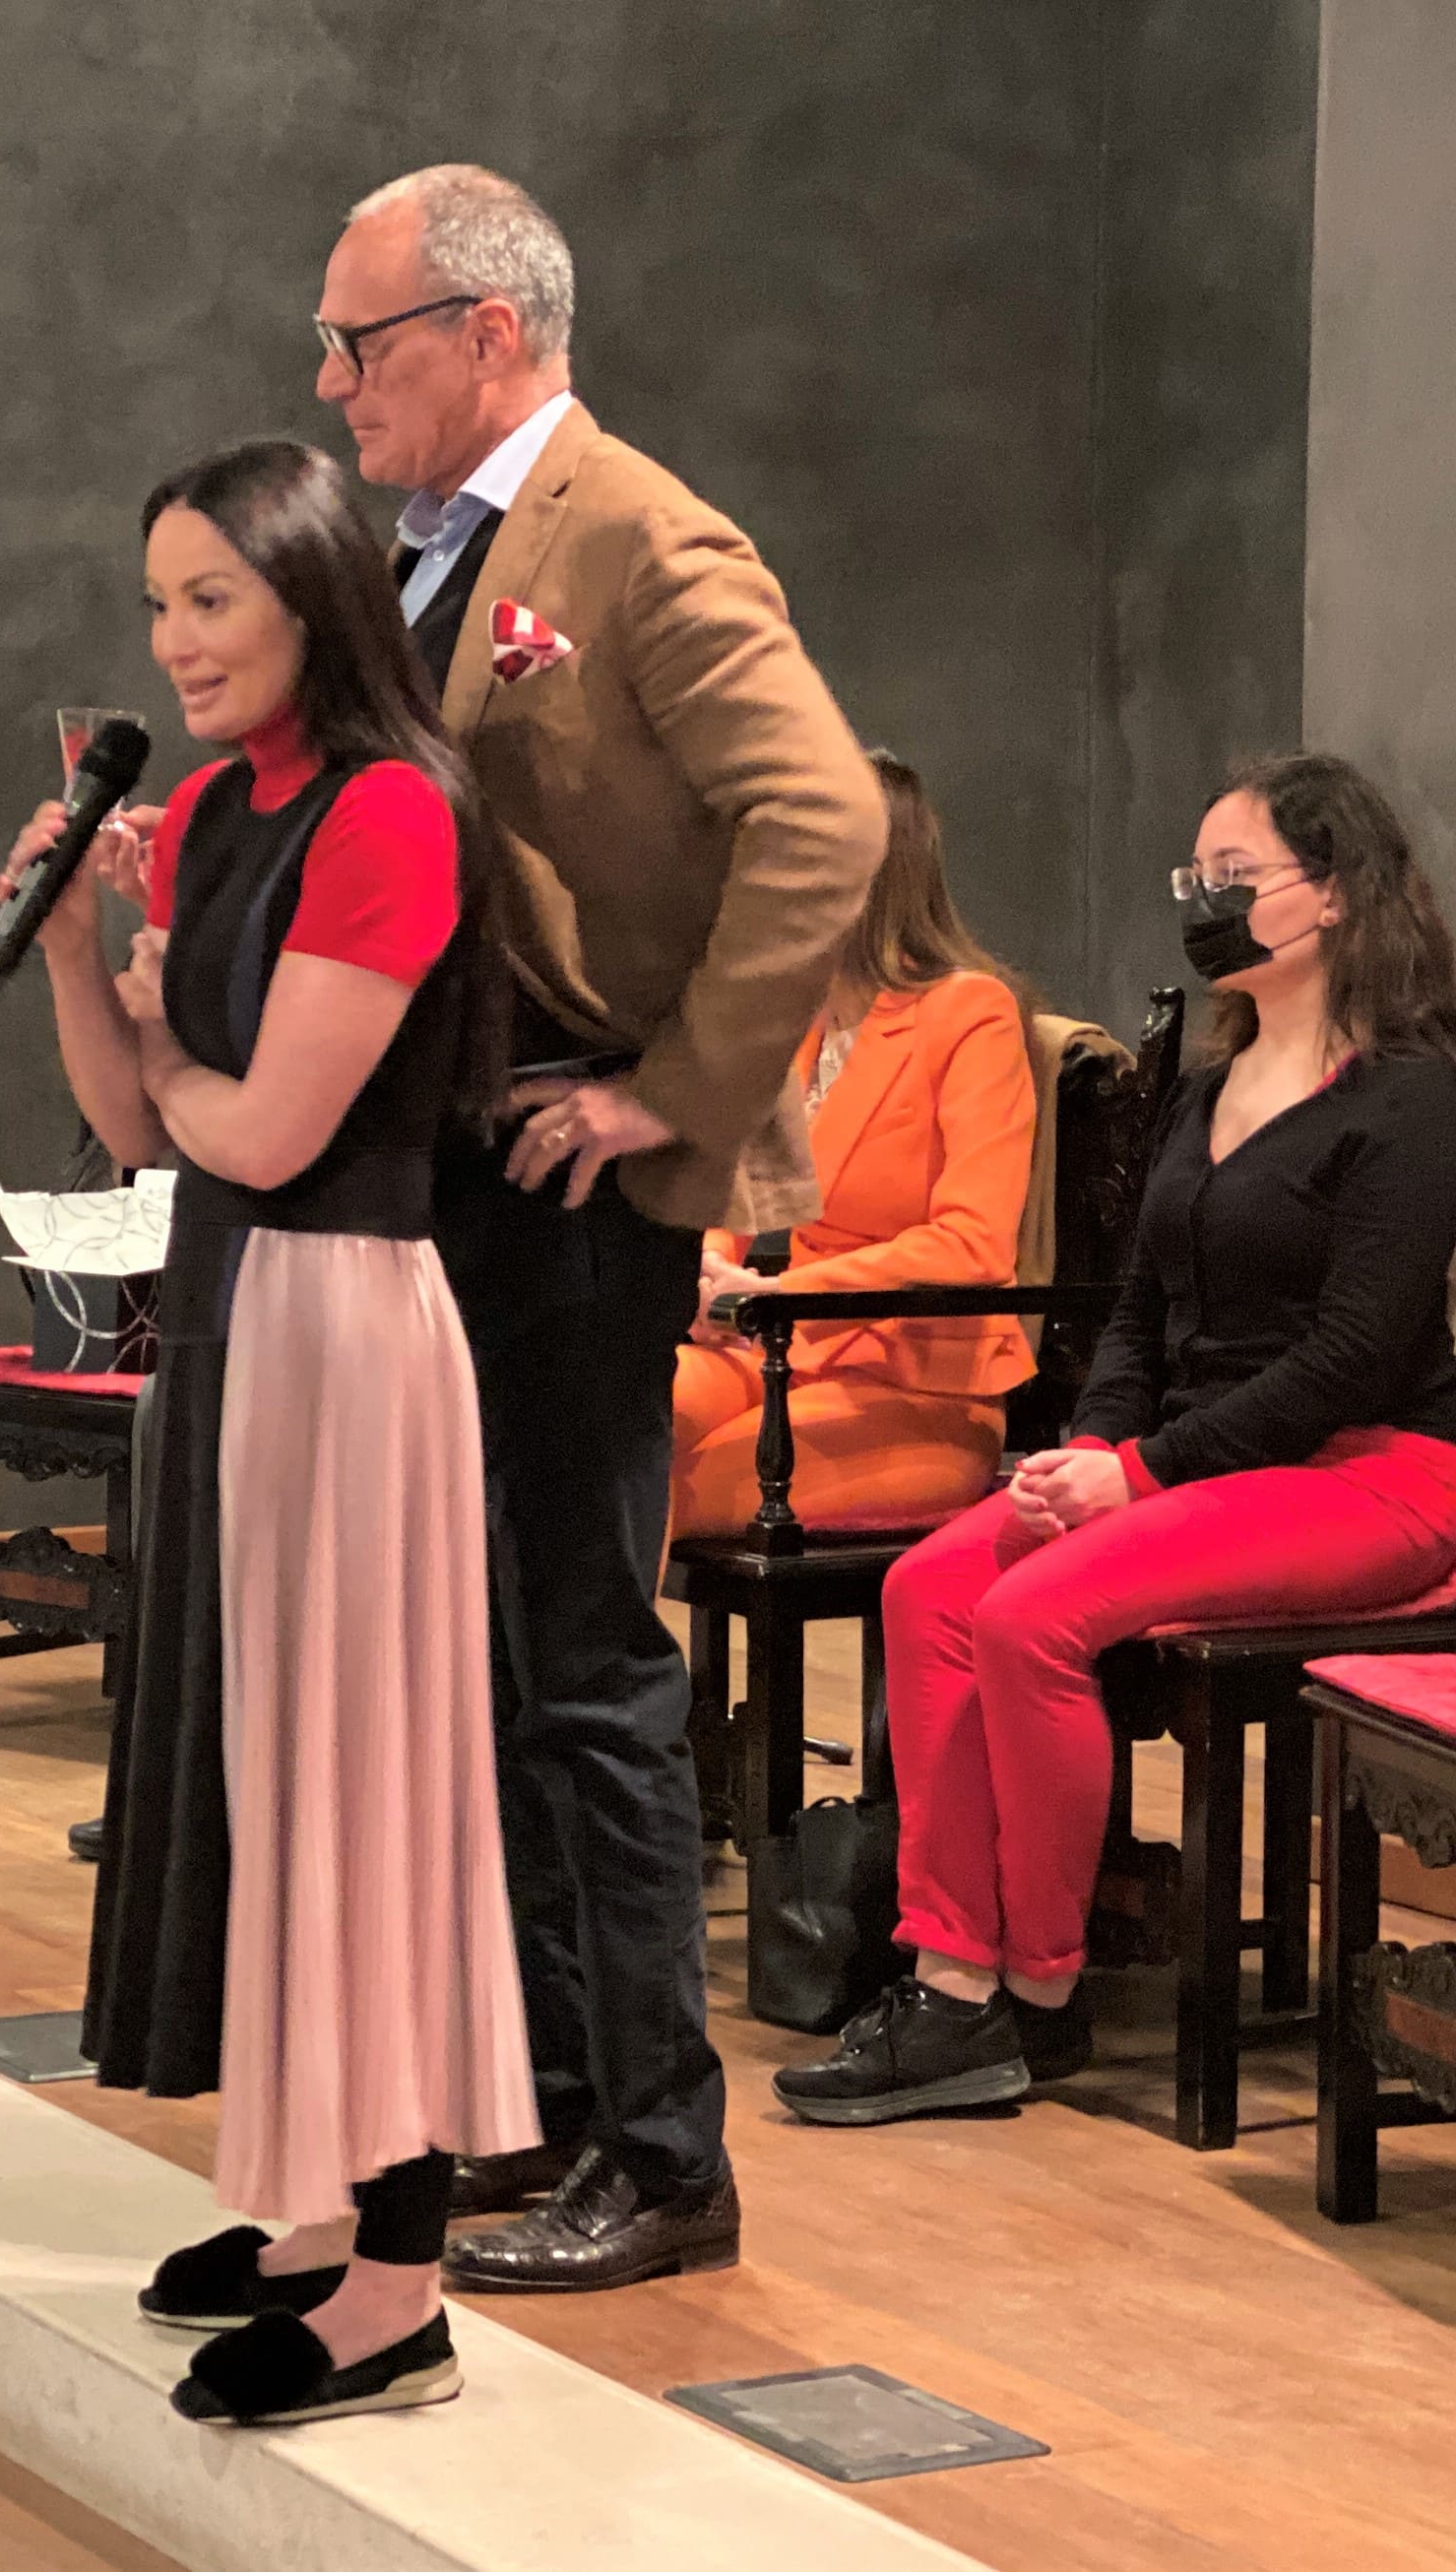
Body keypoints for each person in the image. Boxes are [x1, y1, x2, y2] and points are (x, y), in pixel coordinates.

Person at [313, 164, 887, 2289]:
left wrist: (673, 1092)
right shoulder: (421, 551)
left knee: (585, 1663)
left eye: (358, 340)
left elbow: (821, 813)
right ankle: (556, 2099)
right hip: (455, 1170)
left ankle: (663, 2151)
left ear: (487, 331)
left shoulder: (637, 532)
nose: (331, 382)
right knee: (494, 1671)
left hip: (578, 1182)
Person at [0, 438, 538, 2425]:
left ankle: (400, 2288)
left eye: (211, 598)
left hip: (343, 1321)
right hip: (236, 1314)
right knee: (267, 1773)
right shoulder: (223, 804)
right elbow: (144, 1130)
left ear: (314, 599)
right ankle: (319, 2211)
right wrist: (80, 946)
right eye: (159, 603)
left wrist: (161, 1042)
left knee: (362, 1789)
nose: (176, 640)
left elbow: (272, 1126)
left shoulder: (395, 810)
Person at [776, 752, 1456, 2126]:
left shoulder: (1409, 1093)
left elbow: (1351, 1355)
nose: (1205, 902)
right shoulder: (1208, 1086)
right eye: (1194, 878)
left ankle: (1040, 1989)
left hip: (1363, 1475)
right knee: (927, 1586)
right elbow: (1138, 1314)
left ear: (1334, 894)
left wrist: (1139, 1471)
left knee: (1029, 1615)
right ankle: (951, 1977)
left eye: (1235, 877)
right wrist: (1086, 1448)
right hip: (1188, 1466)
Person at [672, 751, 1037, 1538]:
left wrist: (777, 1295)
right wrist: (706, 1273)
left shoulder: (969, 1013)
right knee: (595, 1439)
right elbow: (735, 1196)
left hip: (916, 1384)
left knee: (662, 1490)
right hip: (776, 1352)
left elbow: (972, 1245)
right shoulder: (795, 1023)